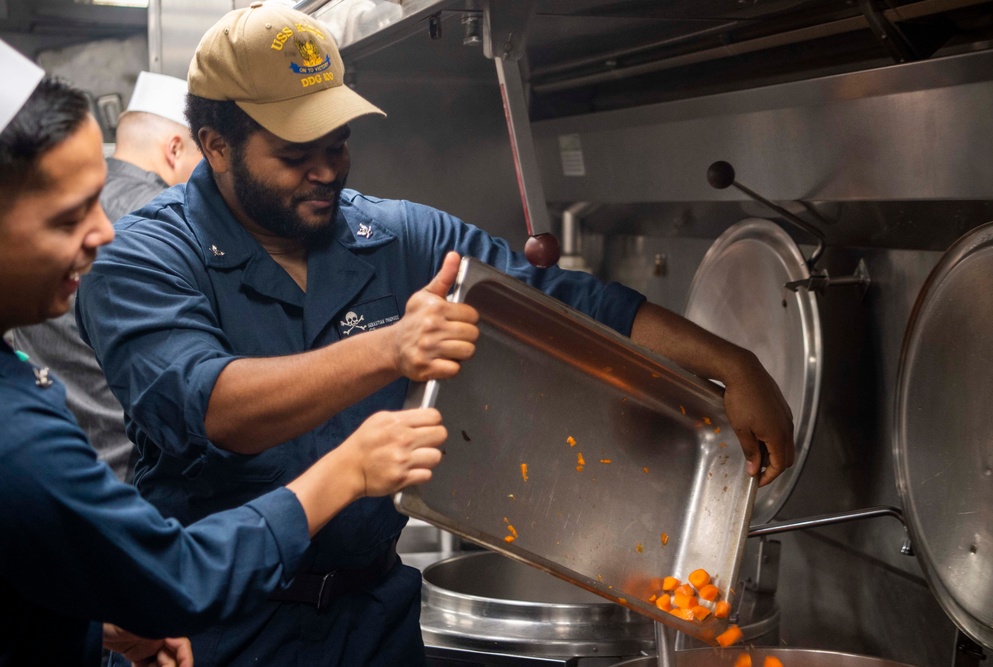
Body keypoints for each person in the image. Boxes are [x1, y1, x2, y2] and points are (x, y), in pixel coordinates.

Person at [76, 4, 794, 665]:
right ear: (216, 146)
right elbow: (213, 408)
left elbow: (559, 301)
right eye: (296, 154)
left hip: (371, 618)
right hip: (214, 629)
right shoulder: (142, 258)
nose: (326, 169)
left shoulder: (393, 235)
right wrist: (390, 347)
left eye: (339, 142)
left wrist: (732, 364)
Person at [0, 58, 447, 666]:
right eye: (68, 216)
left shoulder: (387, 231)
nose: (104, 232)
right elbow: (175, 574)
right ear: (212, 147)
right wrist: (347, 470)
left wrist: (94, 625)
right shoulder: (15, 427)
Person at [10, 70, 200, 481]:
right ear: (174, 149)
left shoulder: (85, 190)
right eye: (69, 219)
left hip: (65, 441)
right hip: (127, 464)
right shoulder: (162, 219)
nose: (103, 233)